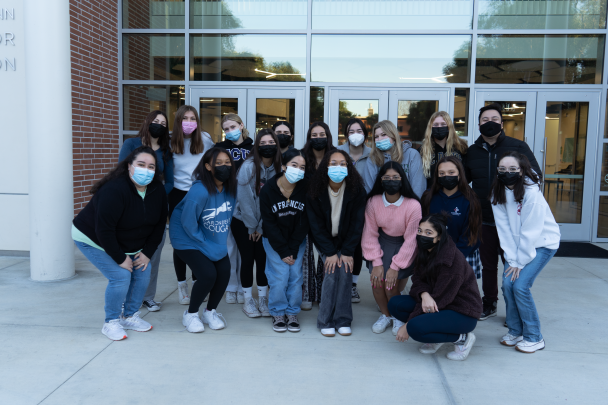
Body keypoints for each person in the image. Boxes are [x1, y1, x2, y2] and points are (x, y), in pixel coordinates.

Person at [72, 146, 168, 340]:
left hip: (129, 241)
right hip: (94, 238)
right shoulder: (114, 189)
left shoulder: (157, 189)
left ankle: (130, 316)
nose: (146, 170)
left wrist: (147, 252)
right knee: (120, 275)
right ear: (129, 166)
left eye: (151, 166)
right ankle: (111, 322)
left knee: (143, 270)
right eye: (141, 164)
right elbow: (104, 230)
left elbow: (159, 225)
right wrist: (120, 258)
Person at [464, 103, 542, 321]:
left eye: (495, 119)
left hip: (513, 220)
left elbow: (535, 176)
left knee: (512, 264)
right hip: (485, 219)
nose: (490, 123)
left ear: (501, 122)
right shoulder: (472, 151)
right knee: (489, 265)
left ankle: (513, 310)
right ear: (479, 124)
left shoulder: (518, 147)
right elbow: (464, 182)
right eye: (485, 119)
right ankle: (489, 302)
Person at [491, 151, 560, 353]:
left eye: (513, 169)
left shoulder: (531, 193)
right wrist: (511, 259)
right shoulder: (498, 192)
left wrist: (519, 262)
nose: (507, 173)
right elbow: (504, 231)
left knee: (520, 286)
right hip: (517, 246)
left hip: (542, 243)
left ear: (522, 171)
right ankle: (515, 331)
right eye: (502, 169)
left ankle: (534, 337)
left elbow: (531, 232)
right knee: (506, 284)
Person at [388, 214, 483, 361]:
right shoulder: (426, 251)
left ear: (439, 237)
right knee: (396, 304)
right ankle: (436, 332)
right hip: (438, 302)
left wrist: (407, 325)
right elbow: (417, 278)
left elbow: (441, 299)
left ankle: (462, 338)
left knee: (414, 328)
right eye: (420, 231)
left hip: (462, 312)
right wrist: (424, 294)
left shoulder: (451, 261)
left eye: (428, 233)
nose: (422, 236)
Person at [169, 147, 237, 333]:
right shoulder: (199, 191)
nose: (225, 166)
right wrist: (207, 244)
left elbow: (225, 219)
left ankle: (210, 311)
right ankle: (190, 315)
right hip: (186, 237)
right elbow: (188, 223)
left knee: (224, 271)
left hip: (209, 236)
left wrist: (217, 244)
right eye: (219, 163)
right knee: (207, 275)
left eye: (227, 162)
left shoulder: (231, 189)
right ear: (207, 166)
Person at [307, 150, 366, 337]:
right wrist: (331, 253)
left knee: (345, 270)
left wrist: (347, 251)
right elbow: (315, 226)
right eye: (333, 163)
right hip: (326, 241)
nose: (338, 167)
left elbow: (358, 224)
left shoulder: (357, 190)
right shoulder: (315, 190)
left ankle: (343, 320)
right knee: (332, 271)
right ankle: (325, 320)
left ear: (349, 167)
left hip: (347, 241)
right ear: (325, 166)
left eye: (343, 163)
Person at [118, 110, 173, 312]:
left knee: (152, 255)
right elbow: (121, 172)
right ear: (147, 122)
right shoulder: (131, 145)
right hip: (131, 206)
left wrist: (154, 194)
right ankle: (127, 297)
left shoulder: (165, 152)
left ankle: (148, 297)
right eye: (155, 121)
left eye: (163, 123)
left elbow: (171, 182)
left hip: (154, 208)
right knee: (129, 255)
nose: (159, 125)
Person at [362, 161, 421, 336]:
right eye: (387, 177)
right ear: (381, 181)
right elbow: (369, 233)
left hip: (404, 245)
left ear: (402, 180)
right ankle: (386, 315)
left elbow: (411, 240)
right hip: (382, 242)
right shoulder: (373, 202)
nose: (391, 181)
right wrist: (376, 262)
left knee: (391, 286)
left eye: (395, 177)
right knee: (377, 281)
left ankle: (397, 316)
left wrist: (395, 267)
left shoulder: (413, 205)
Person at [232, 129, 281, 318]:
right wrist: (252, 226)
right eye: (263, 143)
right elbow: (245, 200)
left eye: (271, 142)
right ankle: (247, 300)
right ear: (257, 146)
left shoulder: (279, 168)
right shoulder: (248, 166)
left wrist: (261, 227)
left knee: (263, 260)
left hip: (265, 224)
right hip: (243, 221)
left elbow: (275, 200)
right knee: (247, 259)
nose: (267, 146)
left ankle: (262, 298)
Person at [260, 149, 310, 333]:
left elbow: (305, 221)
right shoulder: (268, 190)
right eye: (294, 165)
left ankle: (292, 312)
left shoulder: (305, 188)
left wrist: (293, 248)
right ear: (283, 166)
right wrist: (283, 250)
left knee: (295, 277)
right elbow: (269, 223)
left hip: (296, 240)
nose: (298, 170)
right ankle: (278, 311)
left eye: (302, 167)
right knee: (280, 277)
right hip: (274, 241)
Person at [169, 105, 215, 305]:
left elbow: (214, 162)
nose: (189, 122)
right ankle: (182, 286)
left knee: (199, 238)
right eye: (185, 118)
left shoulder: (204, 139)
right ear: (178, 121)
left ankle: (198, 281)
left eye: (192, 118)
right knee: (179, 241)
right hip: (177, 194)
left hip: (199, 192)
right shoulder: (170, 141)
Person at [421, 156, 482, 279]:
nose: (446, 176)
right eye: (441, 173)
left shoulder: (470, 199)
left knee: (460, 294)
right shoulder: (429, 196)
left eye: (451, 172)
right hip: (434, 254)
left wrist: (452, 257)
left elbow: (471, 235)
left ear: (460, 174)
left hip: (463, 254)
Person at [217, 113, 253, 305]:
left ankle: (243, 285)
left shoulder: (253, 148)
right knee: (229, 246)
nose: (230, 131)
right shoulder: (220, 148)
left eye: (233, 127)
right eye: (226, 129)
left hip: (247, 201)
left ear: (241, 125)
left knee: (244, 248)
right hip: (226, 199)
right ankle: (231, 286)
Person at [300, 122, 337, 310]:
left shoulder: (336, 156)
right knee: (305, 255)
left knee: (326, 253)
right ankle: (306, 293)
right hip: (304, 213)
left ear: (328, 136)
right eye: (314, 135)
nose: (318, 138)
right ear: (309, 138)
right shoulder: (301, 157)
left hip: (329, 214)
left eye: (322, 134)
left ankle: (324, 293)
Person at [337, 117, 372, 304]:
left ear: (365, 135)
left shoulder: (373, 155)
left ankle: (352, 286)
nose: (355, 135)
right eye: (351, 131)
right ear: (346, 135)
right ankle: (338, 282)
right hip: (341, 205)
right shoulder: (337, 152)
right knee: (340, 244)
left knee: (357, 247)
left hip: (366, 207)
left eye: (359, 131)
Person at [362, 120, 426, 198]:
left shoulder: (412, 155)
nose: (380, 139)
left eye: (383, 134)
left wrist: (414, 206)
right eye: (376, 137)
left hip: (408, 206)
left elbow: (418, 186)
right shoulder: (373, 159)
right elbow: (369, 188)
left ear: (393, 135)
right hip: (381, 207)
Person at [419, 111, 468, 189]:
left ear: (449, 127)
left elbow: (467, 174)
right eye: (435, 125)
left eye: (443, 124)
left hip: (456, 195)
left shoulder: (461, 147)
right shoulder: (422, 151)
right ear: (430, 128)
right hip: (432, 195)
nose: (439, 127)